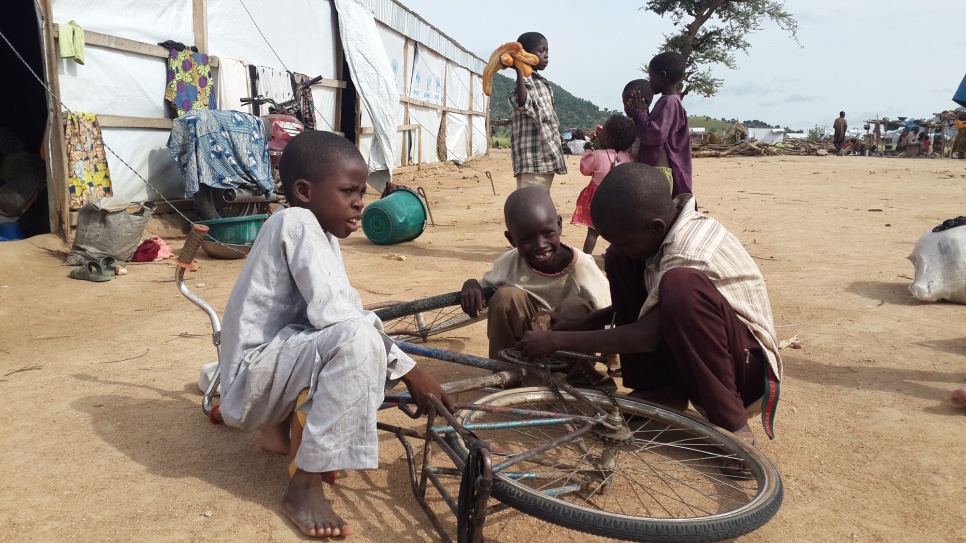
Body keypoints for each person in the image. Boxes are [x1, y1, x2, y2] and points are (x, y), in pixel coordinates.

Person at [218, 130, 454, 538]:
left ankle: (278, 434)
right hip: (251, 383)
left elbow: (331, 310)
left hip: (266, 371)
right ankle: (303, 487)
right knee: (358, 340)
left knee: (359, 330)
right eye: (348, 191)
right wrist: (411, 371)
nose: (361, 202)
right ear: (305, 191)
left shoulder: (319, 229)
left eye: (361, 191)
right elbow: (337, 314)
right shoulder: (295, 220)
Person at [516, 162, 783, 469]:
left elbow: (647, 334)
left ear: (655, 227)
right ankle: (660, 390)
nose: (620, 248)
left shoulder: (690, 252)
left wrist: (556, 340)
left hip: (745, 375)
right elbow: (652, 305)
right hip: (700, 354)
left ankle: (735, 429)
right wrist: (580, 322)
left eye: (625, 239)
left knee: (680, 285)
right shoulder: (662, 235)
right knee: (620, 260)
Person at [460, 187, 611, 363]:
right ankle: (507, 369)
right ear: (511, 240)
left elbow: (609, 314)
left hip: (571, 349)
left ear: (559, 225)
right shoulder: (511, 262)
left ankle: (578, 377)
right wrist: (471, 283)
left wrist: (613, 360)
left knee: (574, 306)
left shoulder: (582, 266)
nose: (540, 245)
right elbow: (485, 286)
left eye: (547, 233)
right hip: (528, 346)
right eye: (526, 239)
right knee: (505, 296)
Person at [625, 51, 693, 197]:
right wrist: (639, 115)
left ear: (661, 76)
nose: (649, 81)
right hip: (655, 170)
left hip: (660, 172)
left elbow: (656, 134)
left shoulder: (671, 102)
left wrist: (639, 113)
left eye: (651, 76)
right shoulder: (666, 101)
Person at [508, 32, 566, 191]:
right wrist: (519, 69)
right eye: (541, 51)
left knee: (539, 201)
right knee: (530, 203)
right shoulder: (525, 81)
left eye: (547, 52)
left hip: (546, 157)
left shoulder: (542, 82)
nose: (546, 56)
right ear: (525, 54)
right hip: (532, 160)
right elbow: (523, 102)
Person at [571, 114, 635, 255]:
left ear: (607, 138)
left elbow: (585, 170)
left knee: (592, 233)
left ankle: (587, 257)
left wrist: (588, 152)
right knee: (617, 232)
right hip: (620, 202)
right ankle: (617, 257)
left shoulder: (597, 155)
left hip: (598, 200)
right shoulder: (628, 157)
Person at [621, 79, 653, 160]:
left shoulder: (650, 123)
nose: (626, 107)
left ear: (644, 102)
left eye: (630, 103)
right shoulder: (625, 123)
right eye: (624, 103)